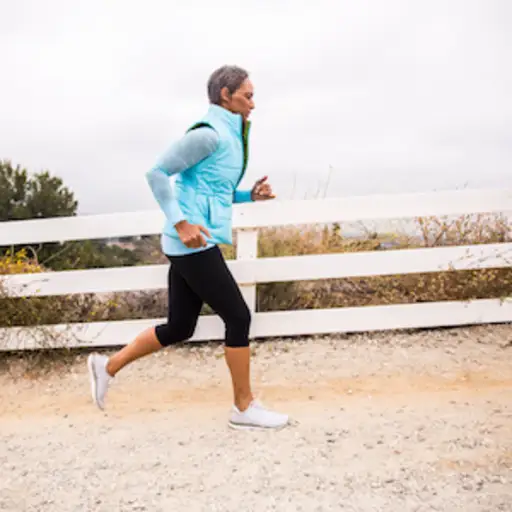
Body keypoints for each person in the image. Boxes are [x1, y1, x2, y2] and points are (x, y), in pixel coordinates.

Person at [87, 65, 289, 430]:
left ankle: (107, 366)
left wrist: (249, 196)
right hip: (191, 242)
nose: (253, 104)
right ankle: (243, 407)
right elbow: (157, 173)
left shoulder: (228, 136)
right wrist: (181, 223)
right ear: (225, 95)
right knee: (239, 317)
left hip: (190, 242)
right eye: (248, 95)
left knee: (181, 326)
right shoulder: (209, 135)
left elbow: (212, 188)